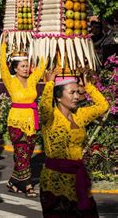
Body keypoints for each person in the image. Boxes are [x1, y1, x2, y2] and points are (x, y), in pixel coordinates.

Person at [39, 70, 109, 217]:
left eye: (78, 92)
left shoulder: (80, 115)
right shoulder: (50, 117)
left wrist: (88, 85)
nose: (77, 97)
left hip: (78, 180)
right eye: (71, 93)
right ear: (58, 97)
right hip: (55, 182)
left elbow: (103, 106)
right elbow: (44, 107)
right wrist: (50, 83)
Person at [0, 37, 45, 197]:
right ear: (16, 68)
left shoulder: (32, 80)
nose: (26, 69)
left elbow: (43, 64)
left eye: (27, 66)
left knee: (26, 153)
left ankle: (13, 181)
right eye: (23, 66)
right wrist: (3, 45)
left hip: (32, 123)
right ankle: (28, 185)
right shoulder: (10, 81)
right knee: (22, 153)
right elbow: (2, 66)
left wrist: (41, 43)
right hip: (16, 123)